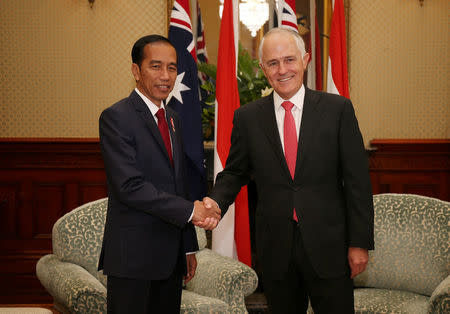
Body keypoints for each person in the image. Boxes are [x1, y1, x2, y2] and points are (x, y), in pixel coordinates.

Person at [203, 28, 374, 313]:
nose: (282, 70)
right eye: (273, 63)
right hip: (275, 249)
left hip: (329, 247)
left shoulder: (338, 110)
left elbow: (358, 182)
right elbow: (234, 172)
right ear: (263, 68)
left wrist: (359, 243)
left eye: (289, 60)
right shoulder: (248, 118)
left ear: (305, 60)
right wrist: (215, 201)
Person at [98, 34, 220, 314]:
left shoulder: (173, 118)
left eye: (172, 67)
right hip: (133, 260)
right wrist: (192, 211)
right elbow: (129, 186)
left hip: (171, 260)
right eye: (156, 66)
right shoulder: (117, 117)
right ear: (136, 71)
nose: (166, 75)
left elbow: (180, 186)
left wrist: (188, 247)